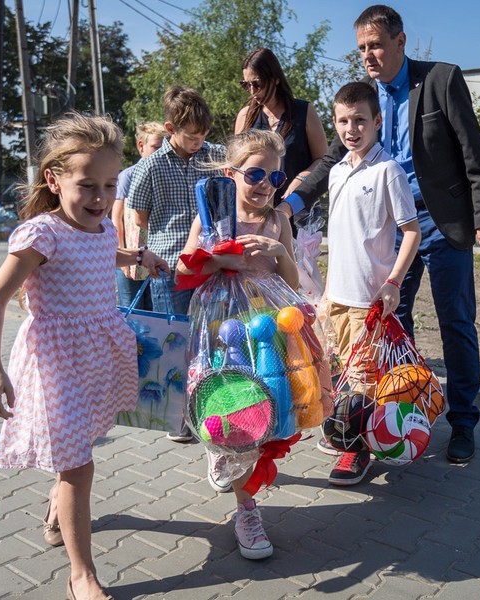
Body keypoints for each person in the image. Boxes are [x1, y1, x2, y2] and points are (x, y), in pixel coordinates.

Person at [286, 5, 480, 466]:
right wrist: (292, 203)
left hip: (440, 223)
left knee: (456, 321)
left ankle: (463, 421)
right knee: (388, 324)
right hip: (388, 229)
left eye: (376, 45)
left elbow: (473, 149)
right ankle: (393, 417)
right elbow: (331, 161)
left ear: (400, 42)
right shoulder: (363, 100)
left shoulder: (440, 80)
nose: (368, 55)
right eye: (361, 48)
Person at [0, 113, 169, 600]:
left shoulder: (102, 228)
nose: (100, 198)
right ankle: (81, 575)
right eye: (87, 185)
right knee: (79, 467)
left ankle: (57, 508)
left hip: (98, 356)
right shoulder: (42, 234)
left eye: (109, 185)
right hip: (56, 365)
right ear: (54, 180)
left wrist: (138, 256)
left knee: (79, 449)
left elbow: (105, 251)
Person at [175, 129, 298, 559]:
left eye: (275, 176)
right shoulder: (210, 217)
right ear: (230, 174)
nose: (265, 184)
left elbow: (291, 283)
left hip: (265, 329)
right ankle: (246, 511)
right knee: (234, 413)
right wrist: (223, 259)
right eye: (255, 174)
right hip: (221, 329)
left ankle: (239, 482)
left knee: (263, 419)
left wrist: (279, 250)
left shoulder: (278, 220)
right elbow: (183, 271)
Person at [322, 82, 421, 485]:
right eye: (344, 121)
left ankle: (357, 451)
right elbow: (340, 236)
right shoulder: (336, 172)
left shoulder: (388, 171)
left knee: (364, 379)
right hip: (336, 297)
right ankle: (348, 430)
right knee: (341, 375)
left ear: (378, 121)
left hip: (368, 300)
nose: (352, 129)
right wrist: (326, 292)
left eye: (360, 120)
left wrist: (394, 281)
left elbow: (411, 232)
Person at [127, 86, 225, 443]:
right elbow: (139, 217)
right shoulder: (150, 166)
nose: (199, 141)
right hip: (169, 268)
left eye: (203, 134)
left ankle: (210, 407)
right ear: (170, 128)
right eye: (192, 135)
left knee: (211, 337)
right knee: (176, 341)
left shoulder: (215, 156)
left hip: (211, 264)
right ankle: (177, 416)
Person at [234, 48, 328, 205]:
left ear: (276, 79)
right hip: (256, 210)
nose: (252, 91)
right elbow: (236, 164)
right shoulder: (245, 116)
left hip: (296, 207)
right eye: (246, 85)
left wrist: (301, 179)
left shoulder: (304, 111)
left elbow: (323, 160)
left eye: (257, 84)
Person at [111, 121, 167, 308]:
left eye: (164, 148)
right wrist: (123, 254)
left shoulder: (165, 174)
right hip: (131, 253)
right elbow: (117, 218)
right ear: (141, 146)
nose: (160, 152)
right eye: (156, 147)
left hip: (155, 253)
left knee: (154, 307)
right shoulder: (128, 176)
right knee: (132, 308)